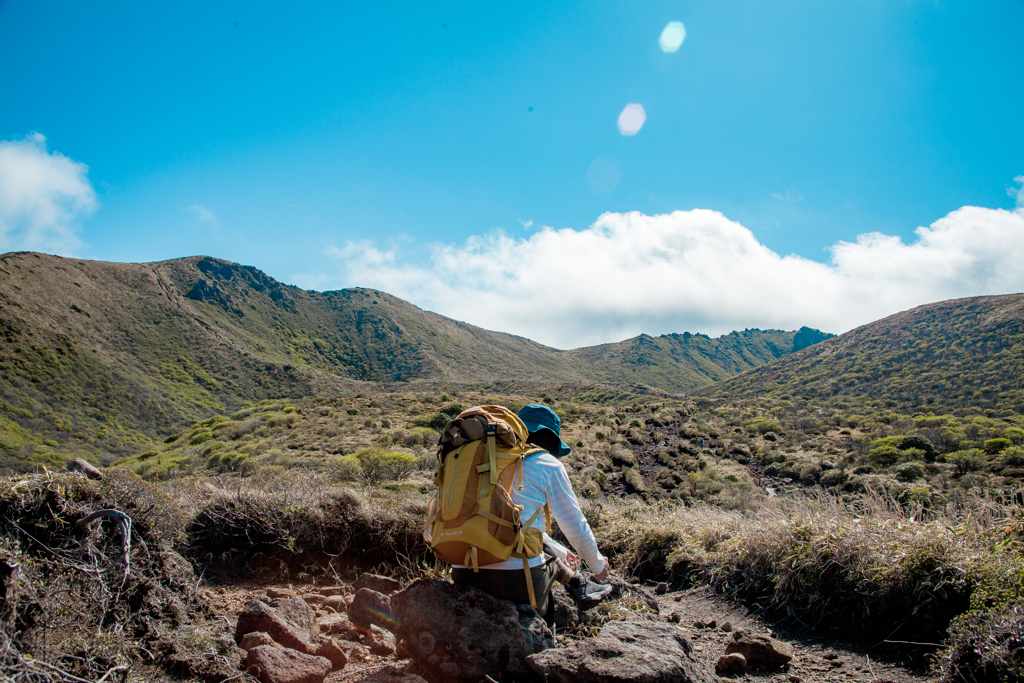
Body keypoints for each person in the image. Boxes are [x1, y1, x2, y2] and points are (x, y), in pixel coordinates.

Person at [451, 404, 611, 625]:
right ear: (550, 439)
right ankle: (546, 639)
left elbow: (507, 522)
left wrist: (558, 549)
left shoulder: (480, 459)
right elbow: (574, 524)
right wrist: (598, 566)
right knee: (545, 623)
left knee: (539, 549)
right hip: (516, 580)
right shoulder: (546, 463)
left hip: (462, 571)